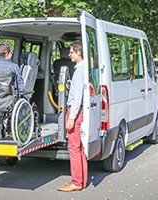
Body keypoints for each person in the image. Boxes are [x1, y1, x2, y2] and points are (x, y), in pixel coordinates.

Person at [57, 40, 88, 192]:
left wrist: (71, 118)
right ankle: (82, 180)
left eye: (71, 52)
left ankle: (76, 182)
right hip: (80, 111)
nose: (69, 54)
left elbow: (76, 97)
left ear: (79, 53)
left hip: (75, 111)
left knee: (73, 148)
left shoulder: (79, 72)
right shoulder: (84, 69)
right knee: (80, 148)